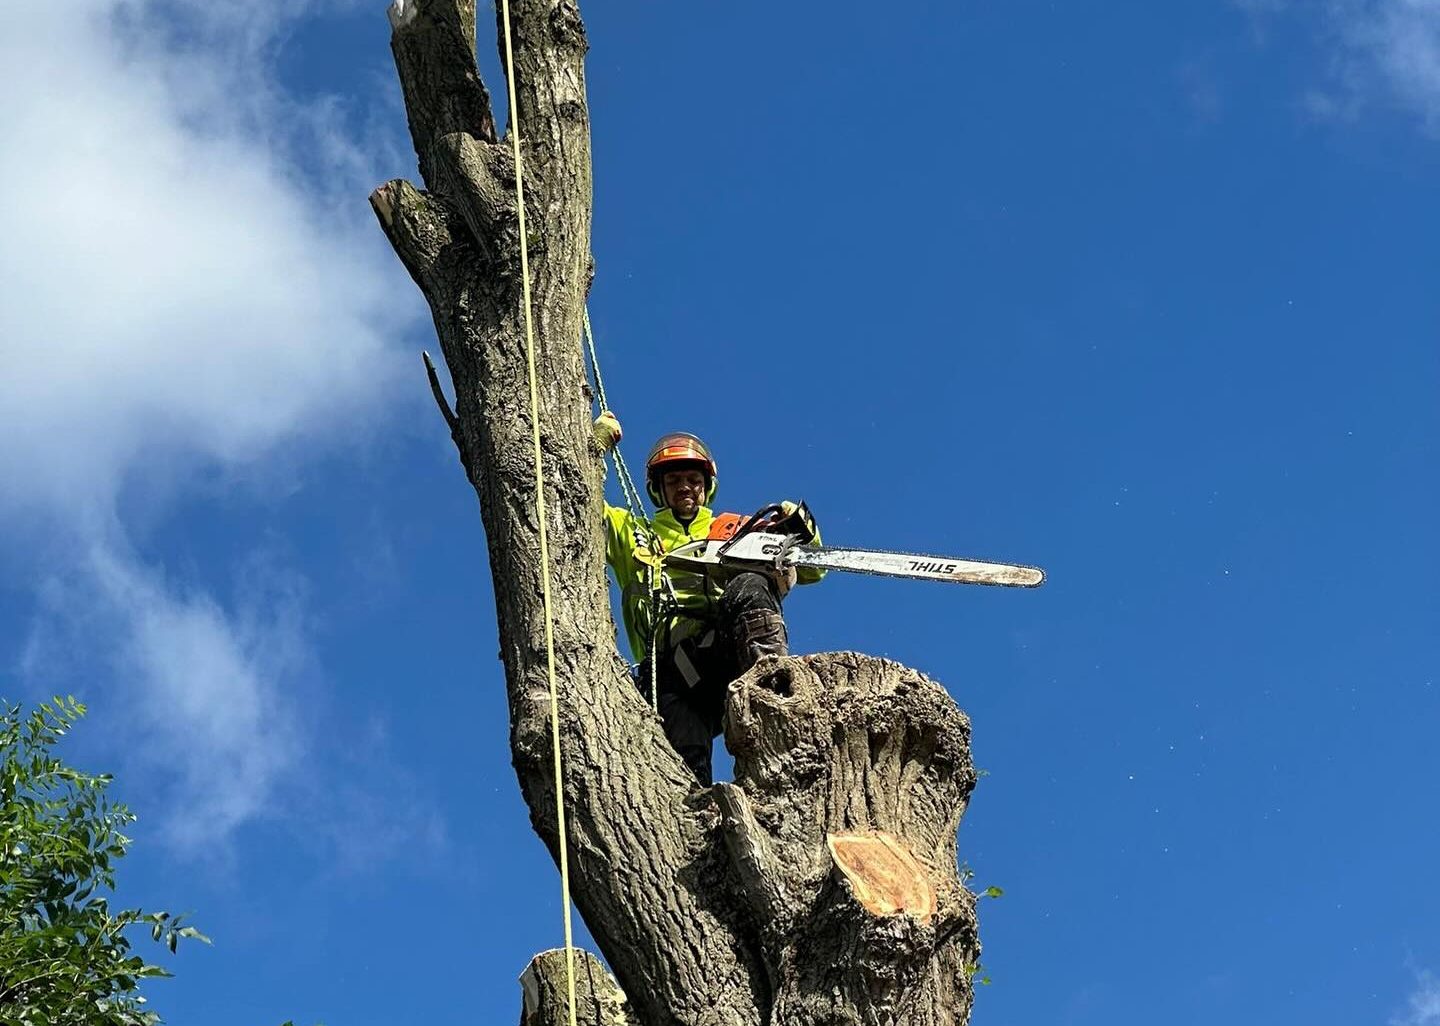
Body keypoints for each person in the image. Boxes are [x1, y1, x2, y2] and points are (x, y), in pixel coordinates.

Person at [592, 412, 823, 785]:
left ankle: (772, 692)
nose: (685, 486)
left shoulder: (732, 530)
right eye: (675, 479)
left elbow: (814, 569)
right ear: (659, 489)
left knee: (749, 584)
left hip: (725, 652)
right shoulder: (631, 533)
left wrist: (802, 531)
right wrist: (592, 448)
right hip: (669, 676)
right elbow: (579, 507)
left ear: (706, 485)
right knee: (686, 776)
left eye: (692, 479)